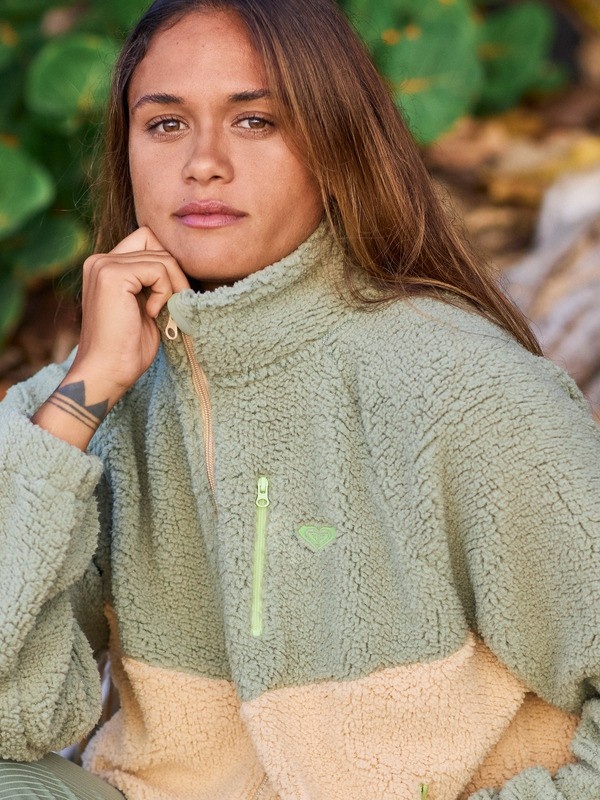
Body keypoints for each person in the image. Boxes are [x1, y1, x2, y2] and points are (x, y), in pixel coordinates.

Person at [0, 0, 599, 798]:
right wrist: (80, 400)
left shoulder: (466, 390)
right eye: (166, 124)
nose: (204, 163)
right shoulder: (96, 402)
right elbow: (13, 719)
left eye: (256, 121)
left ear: (334, 143)